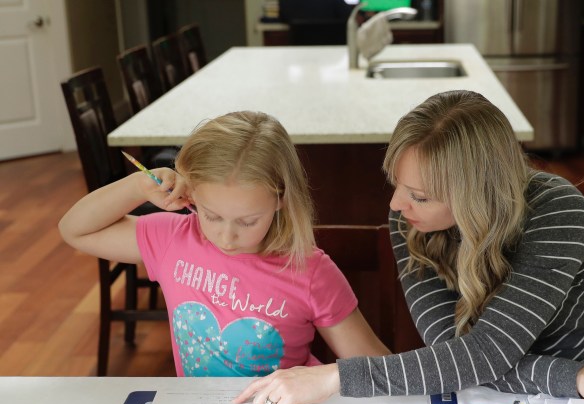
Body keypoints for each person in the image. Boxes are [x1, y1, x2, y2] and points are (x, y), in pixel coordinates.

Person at [234, 90, 584, 404]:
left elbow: (480, 357)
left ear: (476, 197)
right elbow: (456, 352)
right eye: (395, 184)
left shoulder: (556, 208)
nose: (396, 205)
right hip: (531, 395)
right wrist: (576, 378)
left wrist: (337, 376)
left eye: (418, 194)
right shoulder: (411, 222)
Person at [59, 110, 389, 379]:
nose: (226, 237)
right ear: (192, 196)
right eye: (211, 215)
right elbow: (76, 230)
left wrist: (327, 380)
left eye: (247, 221)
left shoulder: (310, 271)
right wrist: (137, 187)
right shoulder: (172, 239)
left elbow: (381, 370)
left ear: (281, 200)